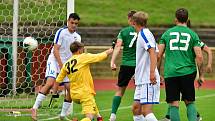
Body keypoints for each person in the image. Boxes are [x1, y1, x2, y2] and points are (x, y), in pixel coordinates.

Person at [159, 19, 212, 121]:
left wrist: (156, 71)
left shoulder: (168, 33)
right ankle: (192, 116)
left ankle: (170, 116)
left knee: (174, 101)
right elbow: (201, 55)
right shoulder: (192, 35)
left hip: (172, 72)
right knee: (189, 100)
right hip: (188, 71)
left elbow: (159, 54)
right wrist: (203, 73)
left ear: (175, 20)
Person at [31, 13, 81, 121]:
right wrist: (61, 65)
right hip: (54, 60)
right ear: (68, 21)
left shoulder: (78, 37)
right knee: (50, 83)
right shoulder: (61, 32)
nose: (73, 25)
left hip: (67, 65)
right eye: (72, 23)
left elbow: (77, 54)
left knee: (70, 89)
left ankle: (62, 115)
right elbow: (55, 49)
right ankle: (34, 108)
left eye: (76, 23)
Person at [52, 41, 113, 121]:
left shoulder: (66, 64)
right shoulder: (83, 57)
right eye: (82, 49)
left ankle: (99, 117)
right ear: (79, 50)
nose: (83, 51)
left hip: (74, 95)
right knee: (89, 118)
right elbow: (99, 56)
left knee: (92, 100)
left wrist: (54, 94)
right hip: (84, 93)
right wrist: (110, 50)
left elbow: (58, 80)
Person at [109, 10, 137, 121]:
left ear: (130, 19)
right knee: (139, 91)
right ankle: (138, 116)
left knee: (120, 91)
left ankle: (113, 115)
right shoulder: (143, 31)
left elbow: (118, 46)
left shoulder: (124, 31)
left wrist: (112, 61)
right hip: (139, 66)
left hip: (126, 64)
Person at [132, 11, 160, 121]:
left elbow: (153, 52)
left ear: (133, 22)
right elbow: (156, 54)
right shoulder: (144, 34)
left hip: (147, 79)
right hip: (141, 79)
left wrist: (152, 72)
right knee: (136, 109)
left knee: (146, 111)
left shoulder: (144, 34)